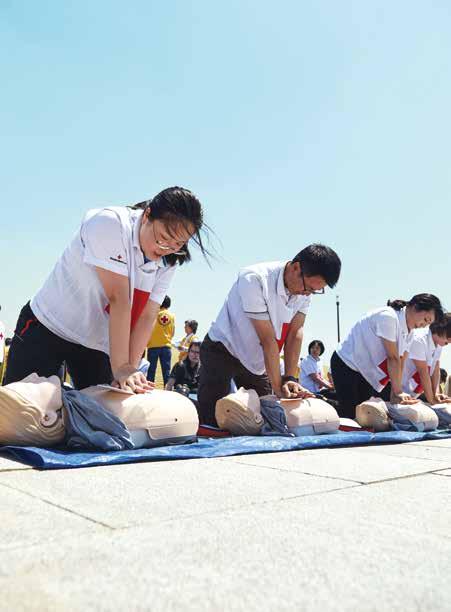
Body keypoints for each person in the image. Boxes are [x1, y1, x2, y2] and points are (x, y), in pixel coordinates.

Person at [4, 187, 210, 393]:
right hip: (49, 326)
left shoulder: (169, 260)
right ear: (147, 215)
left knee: (103, 414)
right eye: (163, 238)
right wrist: (121, 367)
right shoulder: (109, 223)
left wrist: (130, 367)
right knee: (19, 411)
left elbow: (148, 315)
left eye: (179, 243)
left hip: (98, 345)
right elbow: (118, 298)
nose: (167, 248)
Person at [197, 244, 342, 425]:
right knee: (212, 418)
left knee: (267, 416)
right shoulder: (254, 279)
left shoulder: (304, 291)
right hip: (223, 349)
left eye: (314, 291)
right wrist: (278, 386)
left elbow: (295, 333)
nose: (307, 293)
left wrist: (289, 378)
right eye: (308, 288)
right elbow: (267, 338)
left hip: (256, 360)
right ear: (296, 267)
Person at [330, 294, 444, 418]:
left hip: (365, 373)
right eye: (426, 319)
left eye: (428, 324)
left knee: (364, 414)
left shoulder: (410, 333)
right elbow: (393, 358)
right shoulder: (388, 316)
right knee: (349, 413)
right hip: (347, 363)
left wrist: (395, 396)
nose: (424, 325)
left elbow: (400, 363)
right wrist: (398, 392)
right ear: (416, 306)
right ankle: (324, 403)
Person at [402, 313, 451, 404]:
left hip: (413, 391)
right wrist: (432, 400)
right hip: (396, 389)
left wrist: (436, 394)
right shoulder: (419, 339)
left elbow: (435, 369)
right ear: (441, 329)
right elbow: (423, 373)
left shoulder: (439, 342)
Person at [146, 295, 175, 385]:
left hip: (153, 346)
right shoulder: (172, 316)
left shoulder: (155, 313)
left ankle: (149, 391)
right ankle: (168, 391)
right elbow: (173, 331)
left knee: (151, 372)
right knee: (166, 371)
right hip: (166, 346)